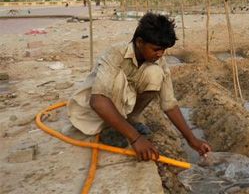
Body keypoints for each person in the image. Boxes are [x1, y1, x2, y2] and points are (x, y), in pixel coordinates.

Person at [67, 12, 211, 161]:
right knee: (118, 80)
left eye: (163, 50)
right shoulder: (115, 54)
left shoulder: (159, 62)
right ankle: (111, 128)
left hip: (122, 110)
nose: (160, 54)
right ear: (139, 42)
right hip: (93, 114)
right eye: (156, 49)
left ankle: (127, 123)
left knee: (155, 74)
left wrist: (192, 140)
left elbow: (169, 104)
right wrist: (136, 138)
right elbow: (98, 102)